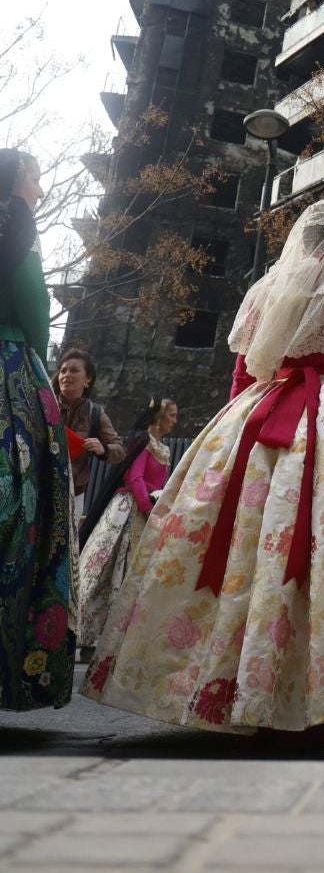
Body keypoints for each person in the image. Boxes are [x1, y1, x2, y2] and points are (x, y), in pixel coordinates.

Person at [83, 199, 324, 730]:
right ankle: (318, 685)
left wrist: (232, 433)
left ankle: (235, 681)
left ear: (302, 241)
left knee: (249, 545)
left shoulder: (266, 290)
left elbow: (243, 375)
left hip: (263, 415)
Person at [0, 148, 75, 711]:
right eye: (36, 177)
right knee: (21, 516)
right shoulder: (16, 228)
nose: (41, 191)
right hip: (10, 378)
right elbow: (33, 310)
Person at [77, 396, 178, 657]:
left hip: (147, 511)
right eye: (172, 415)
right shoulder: (143, 442)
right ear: (158, 417)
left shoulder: (162, 448)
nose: (175, 421)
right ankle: (87, 635)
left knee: (131, 572)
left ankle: (116, 638)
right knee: (106, 567)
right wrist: (147, 508)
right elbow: (135, 477)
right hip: (128, 510)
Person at [53, 347, 124, 518]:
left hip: (73, 495)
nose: (66, 375)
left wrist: (104, 449)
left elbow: (120, 451)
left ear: (88, 379)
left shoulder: (96, 414)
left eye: (74, 370)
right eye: (63, 370)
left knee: (65, 544)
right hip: (37, 487)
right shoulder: (43, 406)